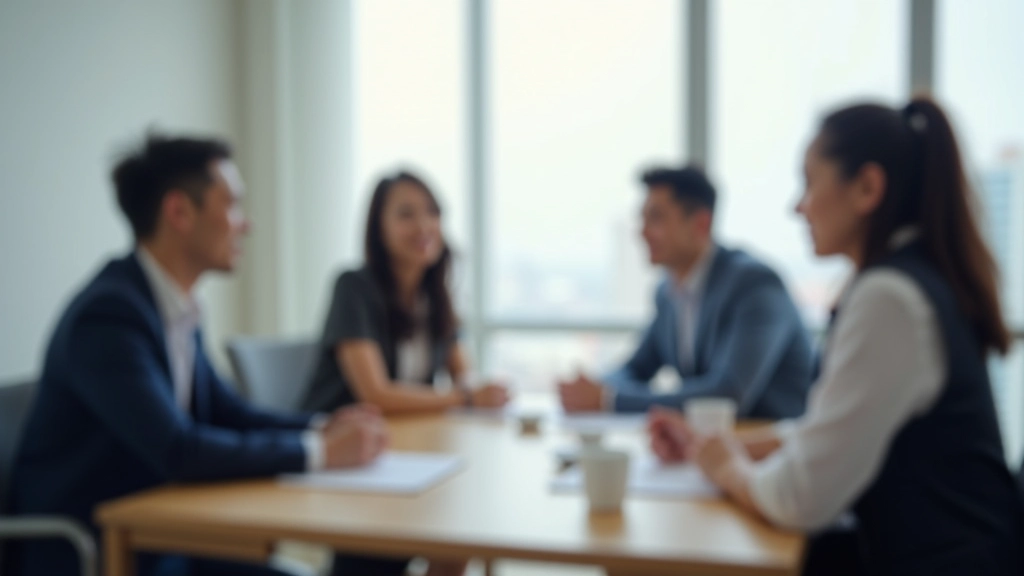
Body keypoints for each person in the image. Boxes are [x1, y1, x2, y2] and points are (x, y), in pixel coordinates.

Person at [650, 97, 1024, 575]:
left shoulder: (888, 298)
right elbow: (829, 431)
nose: (797, 206)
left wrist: (727, 469)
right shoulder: (913, 280)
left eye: (808, 182)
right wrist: (718, 444)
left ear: (867, 187)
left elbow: (799, 498)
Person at [6, 134, 389, 576]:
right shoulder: (109, 316)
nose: (246, 224)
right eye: (232, 205)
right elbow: (177, 448)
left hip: (162, 541)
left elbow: (227, 413)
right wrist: (317, 452)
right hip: (97, 553)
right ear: (179, 212)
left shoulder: (172, 307)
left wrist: (323, 427)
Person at [559, 166, 813, 419]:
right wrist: (591, 389)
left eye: (656, 218)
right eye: (643, 219)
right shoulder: (668, 293)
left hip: (772, 447)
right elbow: (637, 369)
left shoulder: (754, 285)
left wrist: (609, 400)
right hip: (713, 447)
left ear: (701, 223)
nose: (642, 231)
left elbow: (727, 394)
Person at [303, 171, 508, 417]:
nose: (423, 226)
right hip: (341, 442)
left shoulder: (434, 296)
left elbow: (464, 376)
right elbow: (376, 396)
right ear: (379, 226)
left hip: (406, 437)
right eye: (406, 215)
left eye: (432, 212)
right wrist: (465, 398)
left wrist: (483, 392)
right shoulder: (353, 287)